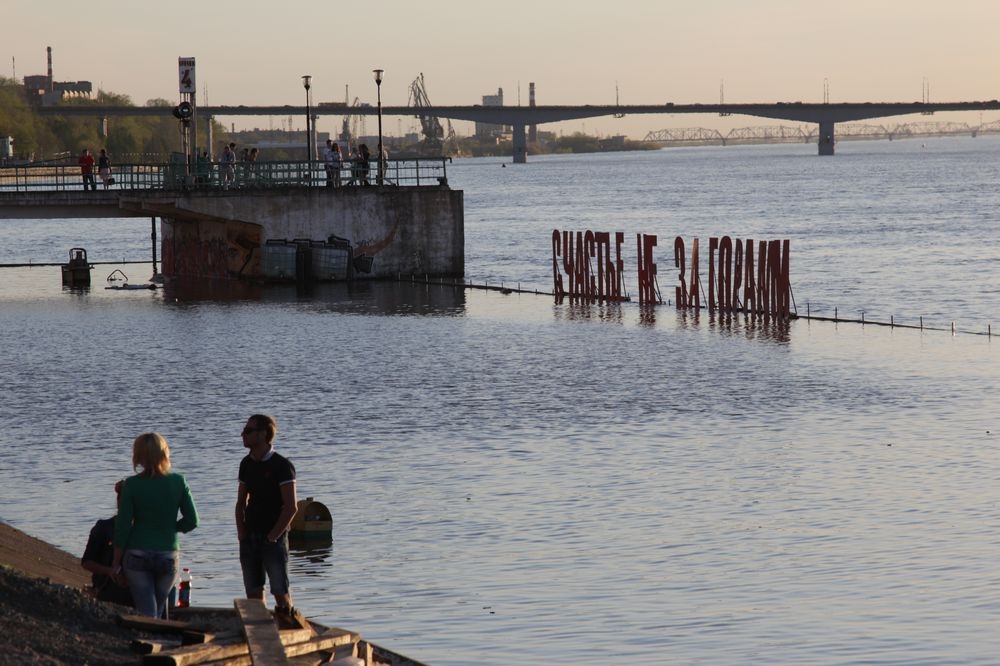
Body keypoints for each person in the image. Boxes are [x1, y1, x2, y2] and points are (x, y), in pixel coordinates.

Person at [112, 432, 199, 619]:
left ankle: (151, 642)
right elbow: (192, 521)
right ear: (164, 453)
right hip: (168, 554)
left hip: (137, 553)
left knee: (147, 610)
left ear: (138, 456)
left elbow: (123, 525)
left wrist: (115, 562)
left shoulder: (131, 485)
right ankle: (161, 641)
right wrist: (171, 527)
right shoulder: (178, 481)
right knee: (158, 609)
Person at [235, 414, 301, 624]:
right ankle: (261, 632)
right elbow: (240, 502)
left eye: (248, 431)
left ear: (263, 434)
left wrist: (273, 537)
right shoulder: (246, 463)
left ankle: (289, 626)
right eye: (244, 431)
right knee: (253, 593)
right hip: (250, 536)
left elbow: (291, 507)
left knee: (280, 591)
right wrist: (241, 533)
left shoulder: (282, 465)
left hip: (273, 537)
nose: (243, 435)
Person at [81, 481, 134, 608]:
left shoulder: (142, 530)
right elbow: (87, 562)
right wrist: (110, 571)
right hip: (108, 588)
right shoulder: (104, 527)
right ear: (118, 500)